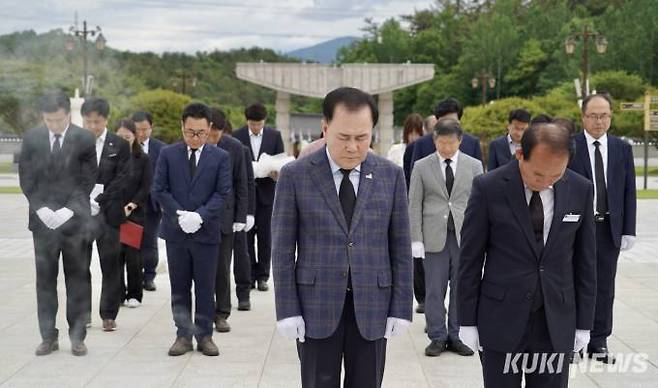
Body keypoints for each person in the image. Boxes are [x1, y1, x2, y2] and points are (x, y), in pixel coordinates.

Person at [272, 87, 413, 388]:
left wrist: (401, 308)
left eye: (362, 138)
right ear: (325, 128)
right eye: (343, 137)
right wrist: (287, 309)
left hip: (373, 306)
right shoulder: (295, 176)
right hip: (315, 306)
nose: (353, 147)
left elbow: (400, 246)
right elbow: (282, 249)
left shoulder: (391, 176)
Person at [458, 123, 597, 387]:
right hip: (501, 318)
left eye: (555, 175)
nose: (546, 183)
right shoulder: (489, 187)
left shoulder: (580, 189)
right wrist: (467, 320)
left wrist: (584, 324)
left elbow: (586, 262)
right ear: (521, 154)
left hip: (555, 320)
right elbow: (470, 260)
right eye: (538, 175)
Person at [19, 91, 97, 356]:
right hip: (43, 224)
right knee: (45, 280)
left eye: (59, 120)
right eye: (49, 120)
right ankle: (48, 336)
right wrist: (40, 208)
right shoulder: (31, 139)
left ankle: (77, 336)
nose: (54, 125)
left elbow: (86, 180)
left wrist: (68, 211)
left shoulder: (84, 138)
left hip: (74, 223)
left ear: (68, 114)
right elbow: (27, 178)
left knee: (77, 279)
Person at [152, 103, 232, 357]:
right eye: (190, 132)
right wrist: (179, 215)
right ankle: (183, 335)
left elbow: (223, 193)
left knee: (206, 286)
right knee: (179, 285)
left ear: (209, 129)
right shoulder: (168, 154)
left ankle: (204, 335)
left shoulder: (220, 157)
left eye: (200, 133)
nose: (195, 137)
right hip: (176, 233)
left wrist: (200, 216)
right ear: (182, 127)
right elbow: (159, 189)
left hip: (206, 232)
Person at [567, 93, 637, 364]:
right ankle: (573, 340)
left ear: (611, 116)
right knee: (575, 282)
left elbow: (629, 190)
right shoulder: (571, 146)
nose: (599, 121)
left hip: (609, 228)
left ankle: (599, 341)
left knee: (604, 285)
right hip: (577, 229)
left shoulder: (622, 148)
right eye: (593, 115)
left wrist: (628, 229)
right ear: (583, 117)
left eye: (604, 115)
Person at [408, 118, 483, 357]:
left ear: (460, 141)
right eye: (442, 142)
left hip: (465, 236)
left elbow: (481, 204)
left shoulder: (474, 166)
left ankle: (457, 335)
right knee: (434, 290)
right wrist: (416, 239)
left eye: (451, 143)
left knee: (462, 288)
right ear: (434, 140)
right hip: (433, 237)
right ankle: (438, 336)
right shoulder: (422, 166)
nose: (446, 148)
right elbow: (414, 204)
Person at [81, 98, 131, 332]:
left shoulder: (119, 144)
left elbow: (123, 178)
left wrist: (99, 199)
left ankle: (109, 314)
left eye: (97, 121)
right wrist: (84, 200)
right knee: (79, 264)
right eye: (88, 121)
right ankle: (82, 313)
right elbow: (68, 175)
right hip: (81, 214)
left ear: (106, 119)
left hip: (109, 213)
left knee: (110, 265)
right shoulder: (75, 142)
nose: (92, 126)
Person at [233, 103, 284, 291]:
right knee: (245, 236)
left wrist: (275, 171)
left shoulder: (274, 136)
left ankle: (263, 276)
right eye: (253, 124)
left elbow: (281, 161)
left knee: (265, 237)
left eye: (259, 124)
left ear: (265, 121)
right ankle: (249, 275)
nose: (256, 127)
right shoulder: (237, 136)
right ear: (247, 121)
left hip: (266, 193)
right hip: (244, 194)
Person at [207, 107, 248, 333]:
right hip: (200, 217)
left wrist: (241, 216)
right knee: (203, 268)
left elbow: (242, 182)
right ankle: (203, 311)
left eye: (216, 135)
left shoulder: (235, 148)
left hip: (225, 217)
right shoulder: (194, 144)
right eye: (209, 134)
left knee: (222, 268)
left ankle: (222, 313)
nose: (212, 139)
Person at [114, 118, 152, 308]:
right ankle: (119, 293)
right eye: (119, 137)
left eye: (127, 137)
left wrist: (131, 205)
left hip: (133, 213)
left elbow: (145, 187)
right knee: (116, 255)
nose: (123, 140)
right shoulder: (110, 157)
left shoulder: (142, 158)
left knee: (133, 257)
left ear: (134, 137)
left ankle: (134, 294)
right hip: (114, 212)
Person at [131, 111, 166, 292]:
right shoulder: (126, 146)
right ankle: (134, 276)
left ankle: (149, 276)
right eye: (138, 130)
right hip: (131, 204)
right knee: (132, 242)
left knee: (150, 240)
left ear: (151, 128)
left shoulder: (161, 149)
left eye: (145, 129)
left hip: (153, 204)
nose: (142, 134)